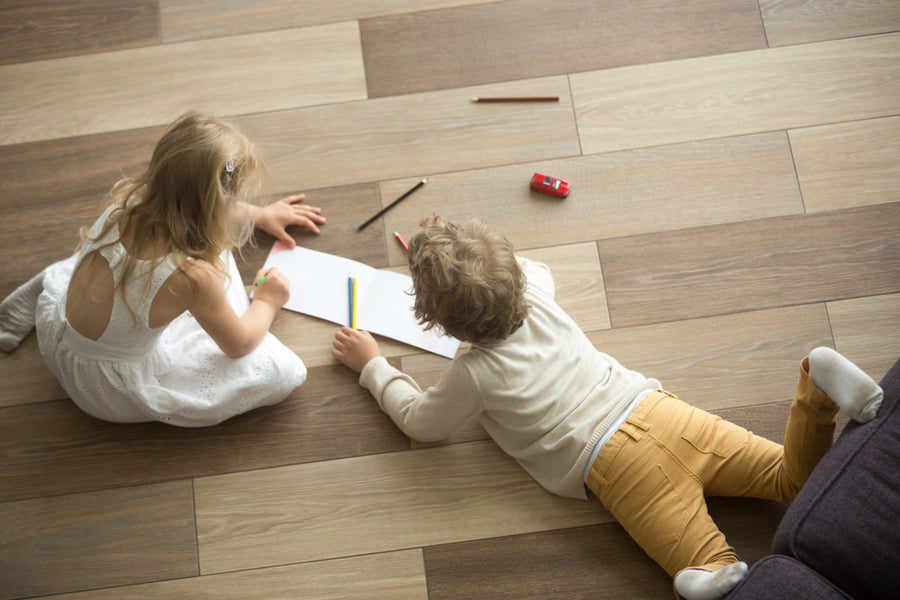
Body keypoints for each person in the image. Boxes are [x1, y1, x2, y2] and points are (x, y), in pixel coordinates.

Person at [331, 215, 884, 600]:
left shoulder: (475, 372)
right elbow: (514, 270)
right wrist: (451, 249)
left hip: (614, 464)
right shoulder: (538, 291)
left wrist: (374, 367)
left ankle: (709, 569)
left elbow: (421, 423)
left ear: (439, 325)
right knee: (790, 479)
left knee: (692, 549)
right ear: (515, 279)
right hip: (663, 412)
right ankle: (815, 385)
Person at [0, 112, 325, 427]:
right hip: (102, 388)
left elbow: (195, 201)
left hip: (60, 333)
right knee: (282, 371)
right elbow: (238, 345)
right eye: (232, 205)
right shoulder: (193, 277)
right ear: (223, 201)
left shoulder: (127, 200)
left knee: (108, 271)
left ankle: (36, 297)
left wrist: (258, 215)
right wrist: (267, 301)